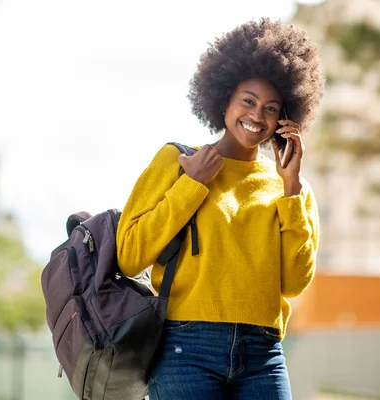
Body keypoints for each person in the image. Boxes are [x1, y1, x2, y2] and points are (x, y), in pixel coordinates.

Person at [116, 18, 324, 400]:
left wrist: (291, 187)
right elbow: (129, 256)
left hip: (263, 352)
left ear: (284, 120)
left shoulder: (291, 188)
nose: (257, 116)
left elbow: (294, 283)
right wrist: (191, 186)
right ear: (225, 97)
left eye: (271, 108)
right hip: (185, 347)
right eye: (248, 100)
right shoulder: (177, 161)